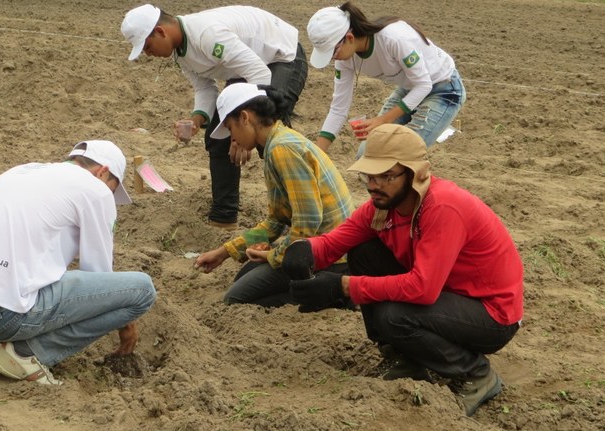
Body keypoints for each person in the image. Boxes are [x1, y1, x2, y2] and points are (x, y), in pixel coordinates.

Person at [281, 124, 523, 416]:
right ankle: (404, 359)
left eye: (386, 176)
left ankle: (476, 374)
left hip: (491, 314)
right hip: (448, 298)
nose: (374, 185)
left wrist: (342, 286)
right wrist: (304, 250)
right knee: (364, 252)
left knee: (395, 316)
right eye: (370, 175)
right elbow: (336, 242)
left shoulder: (443, 207)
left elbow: (422, 289)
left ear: (414, 174)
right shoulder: (384, 205)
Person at [0, 140, 157, 385]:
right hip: (3, 315)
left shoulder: (20, 171)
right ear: (103, 172)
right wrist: (127, 326)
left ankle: (19, 338)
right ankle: (29, 351)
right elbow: (98, 275)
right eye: (112, 188)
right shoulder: (95, 190)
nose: (109, 195)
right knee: (142, 290)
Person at [121, 4, 309, 229]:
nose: (147, 53)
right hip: (243, 69)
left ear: (161, 32)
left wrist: (243, 134)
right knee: (217, 137)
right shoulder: (180, 52)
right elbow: (205, 89)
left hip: (281, 58)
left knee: (267, 136)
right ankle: (224, 217)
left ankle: (300, 215)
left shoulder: (207, 35)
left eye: (147, 46)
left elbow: (260, 74)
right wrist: (196, 121)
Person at [194, 83, 354, 309]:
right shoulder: (278, 142)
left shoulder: (282, 149)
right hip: (320, 248)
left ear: (245, 117)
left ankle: (331, 295)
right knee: (245, 277)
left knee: (235, 299)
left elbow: (308, 223)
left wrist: (274, 255)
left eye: (231, 129)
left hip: (330, 256)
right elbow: (276, 220)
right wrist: (225, 252)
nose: (233, 139)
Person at [306, 2, 466, 154]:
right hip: (410, 88)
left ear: (349, 38)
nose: (332, 59)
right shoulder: (345, 60)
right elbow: (338, 108)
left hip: (443, 88)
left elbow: (424, 85)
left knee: (400, 154)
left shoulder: (394, 39)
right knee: (367, 155)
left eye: (332, 52)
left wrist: (382, 120)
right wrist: (317, 154)